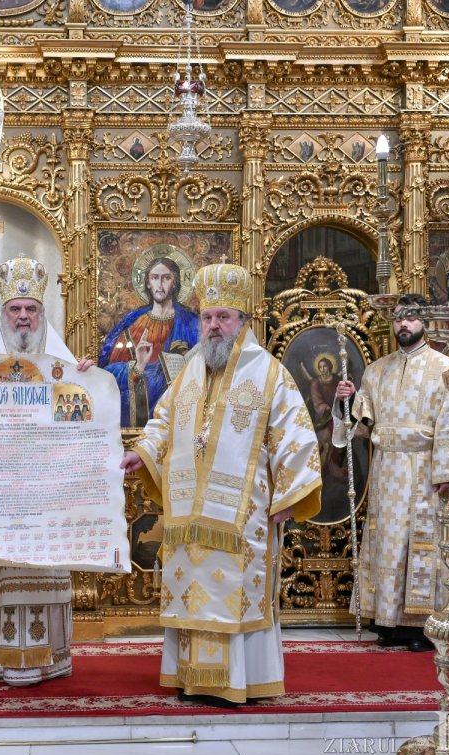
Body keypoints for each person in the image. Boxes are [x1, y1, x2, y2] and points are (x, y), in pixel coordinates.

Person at [121, 262, 322, 707]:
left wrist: (291, 493)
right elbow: (164, 420)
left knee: (234, 591)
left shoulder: (270, 374)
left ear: (243, 322)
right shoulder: (191, 371)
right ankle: (191, 678)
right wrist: (145, 451)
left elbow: (297, 435)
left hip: (243, 518)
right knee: (193, 590)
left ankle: (239, 682)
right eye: (208, 317)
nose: (213, 326)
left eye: (223, 318)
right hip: (189, 515)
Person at [0, 256, 95, 686]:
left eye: (31, 309)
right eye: (15, 309)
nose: (23, 317)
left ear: (42, 314)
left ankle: (46, 658)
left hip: (46, 498)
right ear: (2, 314)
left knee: (41, 570)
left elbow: (83, 430)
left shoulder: (63, 365)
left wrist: (91, 389)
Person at [333, 294, 449, 652]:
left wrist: (448, 472)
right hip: (387, 469)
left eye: (412, 317)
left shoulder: (446, 368)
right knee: (388, 543)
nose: (404, 324)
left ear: (425, 322)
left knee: (420, 546)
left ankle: (420, 626)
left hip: (425, 470)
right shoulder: (377, 369)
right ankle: (386, 622)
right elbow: (362, 423)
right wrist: (344, 400)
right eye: (399, 317)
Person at [100, 256, 200, 427]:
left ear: (175, 282)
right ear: (147, 283)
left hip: (182, 413)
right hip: (141, 416)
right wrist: (138, 367)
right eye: (154, 278)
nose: (160, 284)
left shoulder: (192, 323)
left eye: (166, 277)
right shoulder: (133, 323)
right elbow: (107, 375)